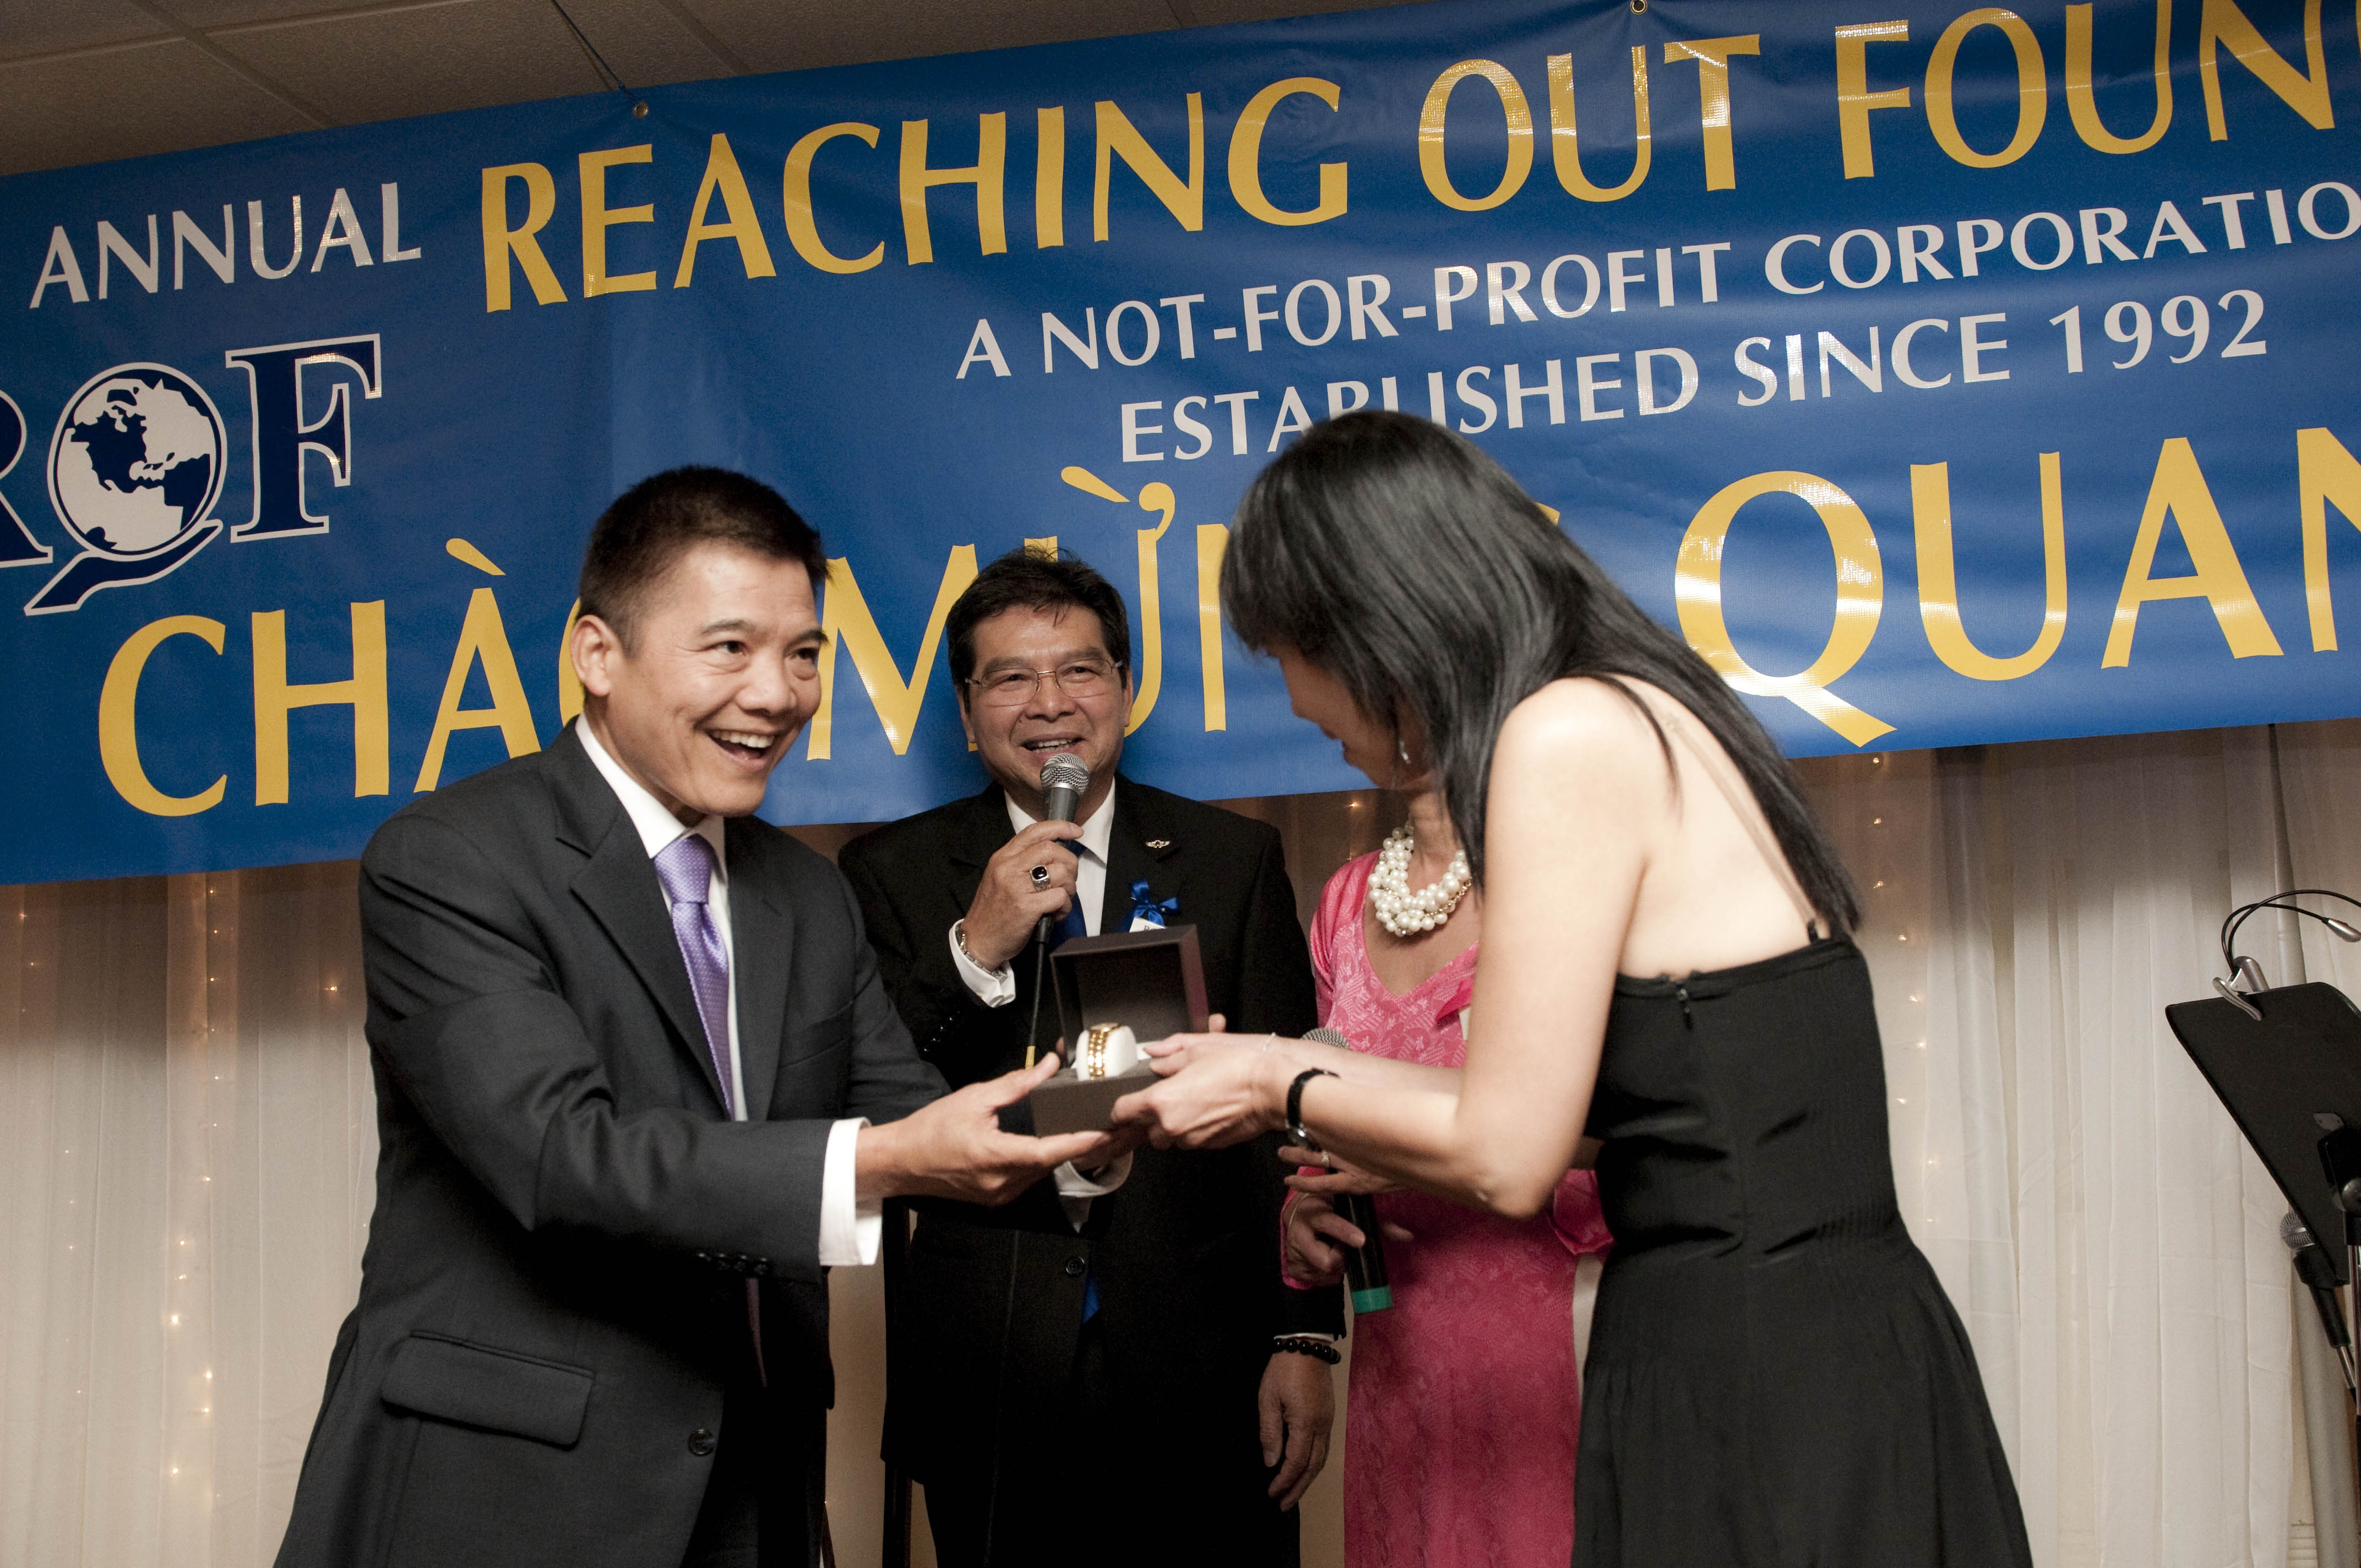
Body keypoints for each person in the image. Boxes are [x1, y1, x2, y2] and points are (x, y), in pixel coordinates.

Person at [1118, 412, 2034, 1567]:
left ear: (1369, 625)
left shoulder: (1562, 735)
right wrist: (1293, 1067)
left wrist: (1271, 1081)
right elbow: (1581, 1110)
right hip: (1786, 1335)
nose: (1307, 710)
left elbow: (1508, 1152)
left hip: (1755, 1360)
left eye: (1292, 657)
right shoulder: (1632, 703)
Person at [275, 469, 1114, 1568]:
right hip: (506, 1493)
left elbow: (912, 1112)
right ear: (597, 653)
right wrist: (880, 1158)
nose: (775, 693)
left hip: (751, 1490)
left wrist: (1103, 1124)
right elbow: (559, 1154)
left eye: (803, 654)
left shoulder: (805, 893)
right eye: (728, 648)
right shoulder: (449, 858)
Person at [837, 547, 1340, 1568]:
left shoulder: (1231, 860)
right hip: (991, 1353)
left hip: (1203, 1357)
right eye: (1011, 678)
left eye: (1079, 670)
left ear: (1122, 689)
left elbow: (1296, 1118)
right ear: (968, 714)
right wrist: (975, 947)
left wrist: (1301, 1336)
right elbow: (873, 1099)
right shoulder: (891, 872)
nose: (1050, 703)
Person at [1283, 780, 1611, 1568]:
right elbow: (1328, 1108)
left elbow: (1622, 1121)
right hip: (1398, 1335)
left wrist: (1403, 1156)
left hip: (1549, 1329)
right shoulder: (1348, 896)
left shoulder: (1562, 876)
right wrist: (1304, 1213)